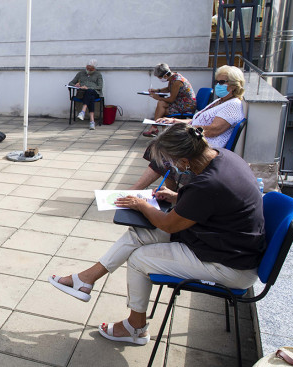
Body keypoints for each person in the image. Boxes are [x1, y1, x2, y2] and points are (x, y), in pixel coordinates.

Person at [49, 123, 264, 346]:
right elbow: (216, 202)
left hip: (230, 266)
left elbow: (168, 224)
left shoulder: (208, 184)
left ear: (183, 162)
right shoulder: (224, 157)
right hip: (224, 243)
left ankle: (135, 328)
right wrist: (176, 197)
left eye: (170, 162)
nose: (169, 168)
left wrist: (141, 205)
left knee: (139, 259)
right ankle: (85, 280)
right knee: (140, 233)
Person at [130, 65, 246, 190]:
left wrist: (184, 129)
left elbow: (214, 130)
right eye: (217, 82)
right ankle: (170, 192)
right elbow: (197, 120)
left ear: (234, 85)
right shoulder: (220, 101)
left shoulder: (233, 105)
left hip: (204, 149)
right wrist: (174, 120)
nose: (218, 85)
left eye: (222, 82)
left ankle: (137, 190)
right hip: (196, 143)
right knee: (158, 148)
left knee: (164, 154)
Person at [142, 63, 196, 137]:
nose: (160, 79)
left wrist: (157, 97)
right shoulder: (173, 77)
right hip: (179, 103)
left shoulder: (177, 81)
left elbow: (171, 99)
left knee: (162, 110)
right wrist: (157, 90)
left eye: (159, 77)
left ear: (165, 76)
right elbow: (169, 89)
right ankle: (156, 129)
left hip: (186, 106)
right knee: (161, 103)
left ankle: (157, 130)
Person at [69, 59, 103, 130]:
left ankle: (83, 112)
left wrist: (88, 88)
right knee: (90, 97)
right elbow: (70, 83)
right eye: (88, 68)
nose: (89, 70)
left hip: (95, 92)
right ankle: (92, 121)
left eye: (91, 69)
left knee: (90, 91)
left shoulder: (98, 74)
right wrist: (76, 85)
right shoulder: (80, 73)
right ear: (86, 66)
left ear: (94, 69)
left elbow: (100, 86)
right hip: (82, 93)